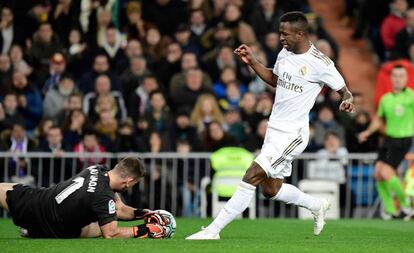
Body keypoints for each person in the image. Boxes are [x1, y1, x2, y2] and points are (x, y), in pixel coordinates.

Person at [186, 11, 354, 240]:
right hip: (275, 130)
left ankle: (213, 230)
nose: (281, 38)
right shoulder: (285, 53)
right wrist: (253, 61)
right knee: (270, 190)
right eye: (280, 33)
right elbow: (275, 80)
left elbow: (344, 89)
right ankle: (316, 205)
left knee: (252, 174)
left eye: (285, 34)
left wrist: (347, 99)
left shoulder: (320, 62)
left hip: (293, 133)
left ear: (300, 33)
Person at [0, 157, 168, 239]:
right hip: (38, 212)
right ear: (129, 181)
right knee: (97, 229)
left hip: (38, 199)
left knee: (91, 227)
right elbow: (111, 234)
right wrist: (146, 230)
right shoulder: (103, 196)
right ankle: (35, 229)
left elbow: (120, 208)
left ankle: (35, 230)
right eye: (132, 184)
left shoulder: (99, 169)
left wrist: (144, 214)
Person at [358, 65, 414, 218]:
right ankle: (390, 209)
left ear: (406, 78)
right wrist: (368, 132)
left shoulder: (411, 96)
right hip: (389, 139)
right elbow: (378, 119)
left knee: (386, 171)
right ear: (391, 78)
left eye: (401, 76)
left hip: (404, 139)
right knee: (377, 173)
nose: (398, 79)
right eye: (395, 76)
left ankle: (405, 204)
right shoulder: (385, 99)